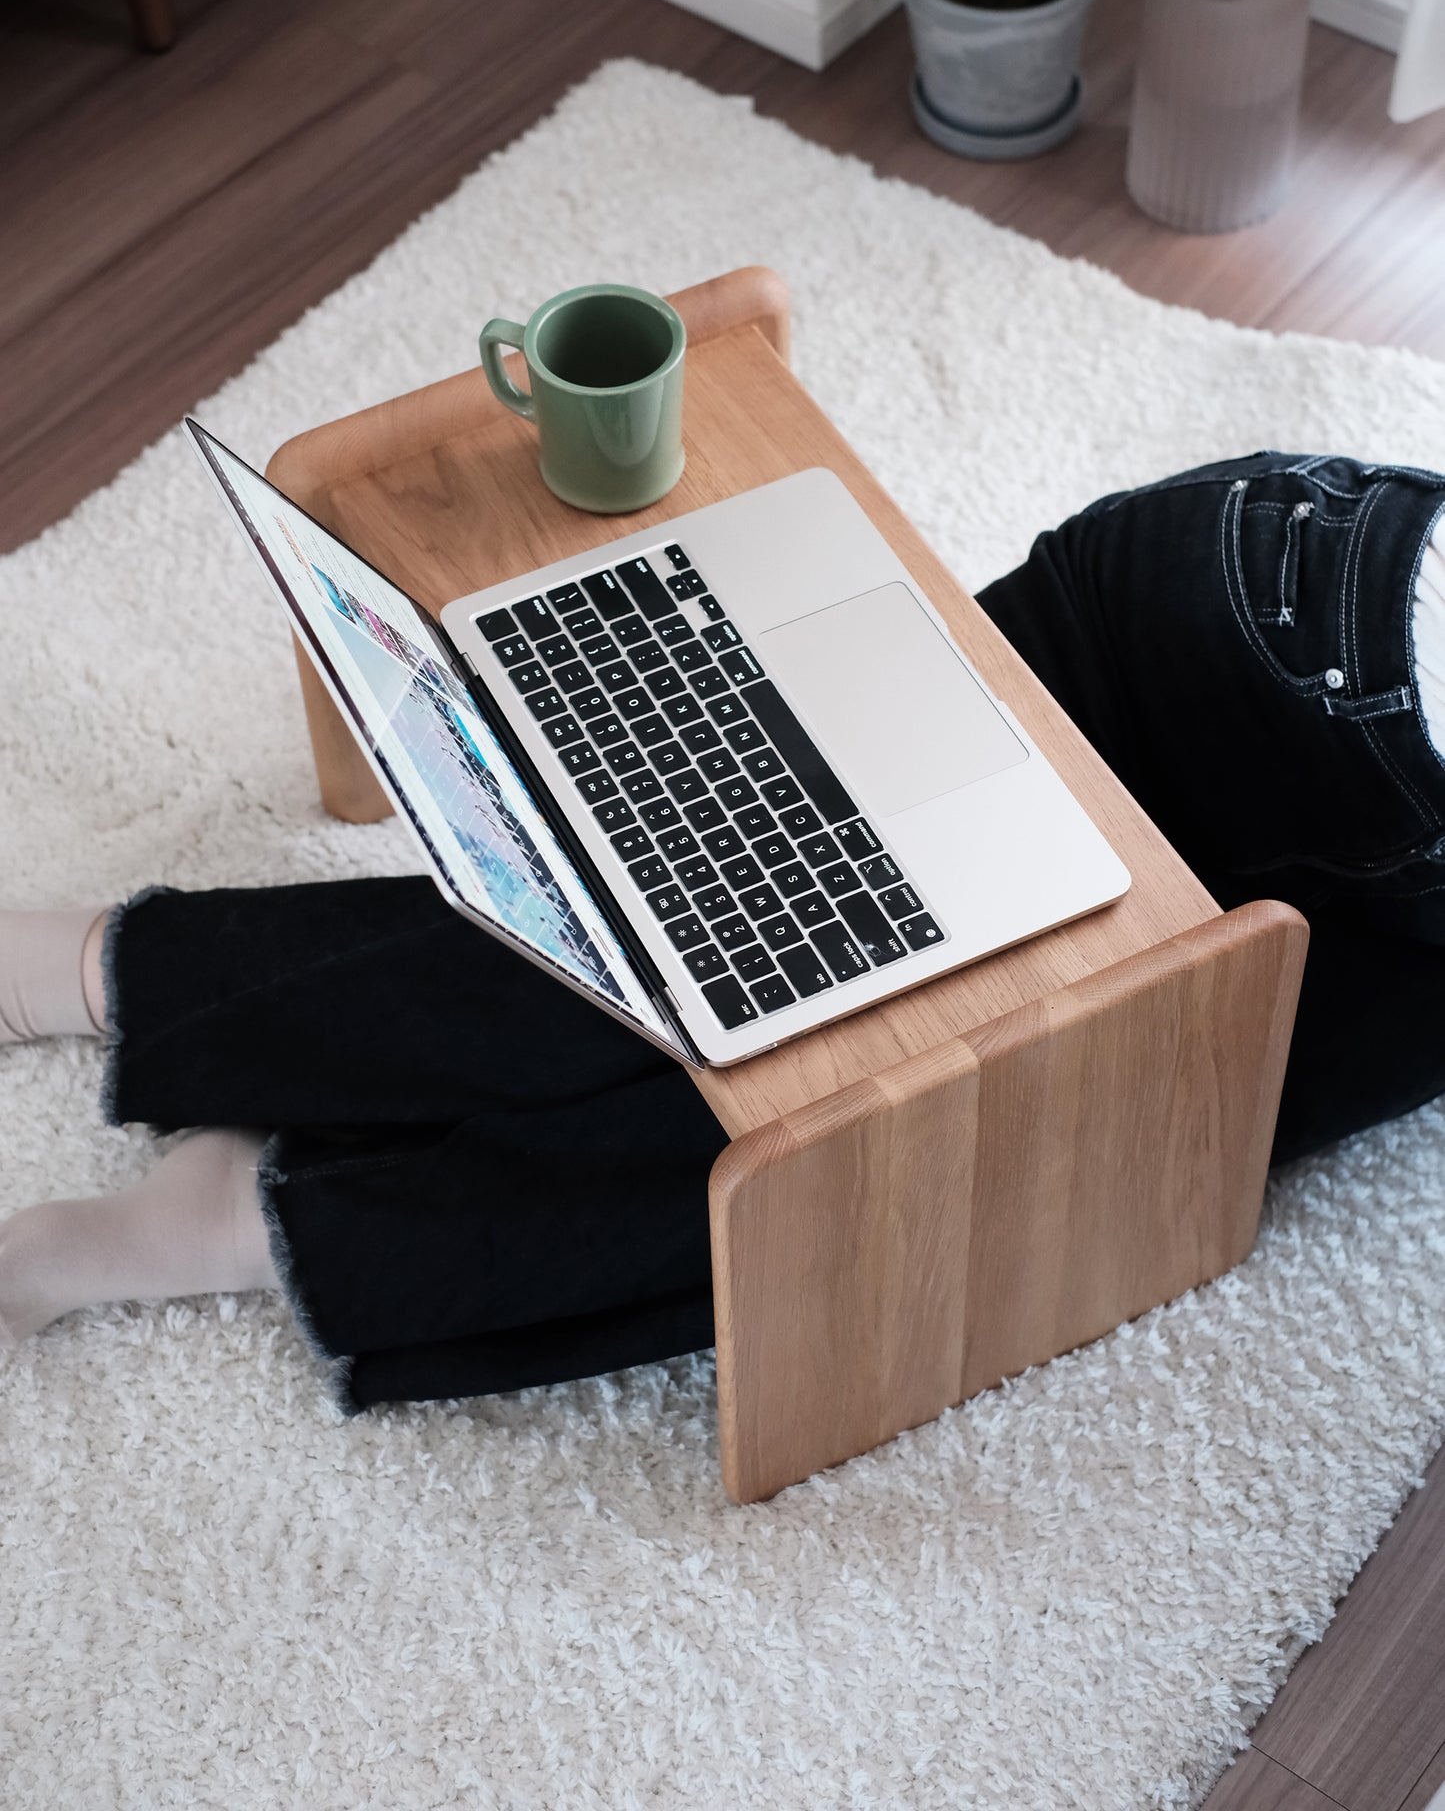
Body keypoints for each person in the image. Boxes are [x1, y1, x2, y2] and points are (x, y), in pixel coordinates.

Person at [3, 452, 1443, 1407]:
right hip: (1373, 788)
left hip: (1274, 545)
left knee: (749, 878)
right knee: (960, 1112)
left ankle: (71, 966)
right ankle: (256, 1220)